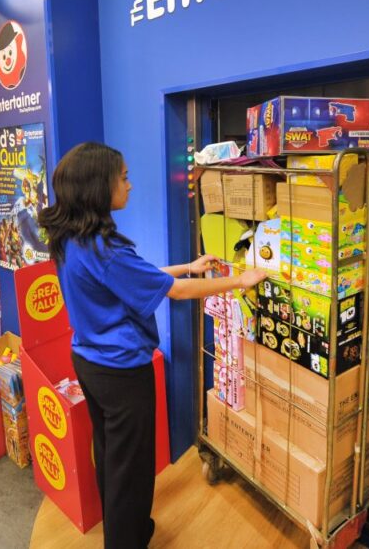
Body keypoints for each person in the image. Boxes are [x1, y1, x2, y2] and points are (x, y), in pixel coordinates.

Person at [39, 142, 268, 549]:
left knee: (112, 456)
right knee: (133, 467)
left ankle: (124, 530)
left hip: (90, 362)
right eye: (122, 177)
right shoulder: (106, 250)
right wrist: (238, 281)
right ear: (98, 187)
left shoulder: (74, 238)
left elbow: (141, 278)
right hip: (121, 371)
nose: (129, 184)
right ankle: (127, 540)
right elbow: (176, 292)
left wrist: (189, 266)